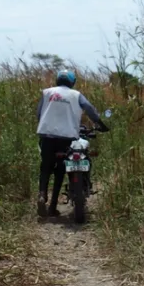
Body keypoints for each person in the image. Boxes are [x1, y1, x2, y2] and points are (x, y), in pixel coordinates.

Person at [35, 70, 108, 216]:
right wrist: (99, 123)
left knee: (46, 167)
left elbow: (39, 113)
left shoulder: (47, 93)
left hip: (47, 135)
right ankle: (53, 206)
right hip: (66, 137)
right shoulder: (76, 95)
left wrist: (45, 125)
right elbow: (89, 108)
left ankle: (42, 195)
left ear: (57, 80)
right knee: (61, 169)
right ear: (72, 82)